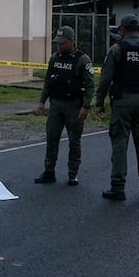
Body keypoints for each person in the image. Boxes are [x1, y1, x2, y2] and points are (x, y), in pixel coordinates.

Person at [94, 14, 139, 201]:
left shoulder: (117, 49)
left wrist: (99, 102)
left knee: (119, 145)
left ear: (123, 30)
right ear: (138, 29)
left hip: (122, 101)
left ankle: (118, 188)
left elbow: (105, 78)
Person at [34, 26, 94, 186]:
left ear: (71, 41)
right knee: (51, 137)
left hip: (74, 106)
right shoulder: (55, 58)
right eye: (57, 43)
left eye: (62, 43)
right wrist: (42, 102)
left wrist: (86, 106)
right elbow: (48, 81)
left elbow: (90, 86)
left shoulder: (82, 60)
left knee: (74, 141)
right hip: (56, 104)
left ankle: (73, 173)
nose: (59, 46)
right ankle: (49, 171)